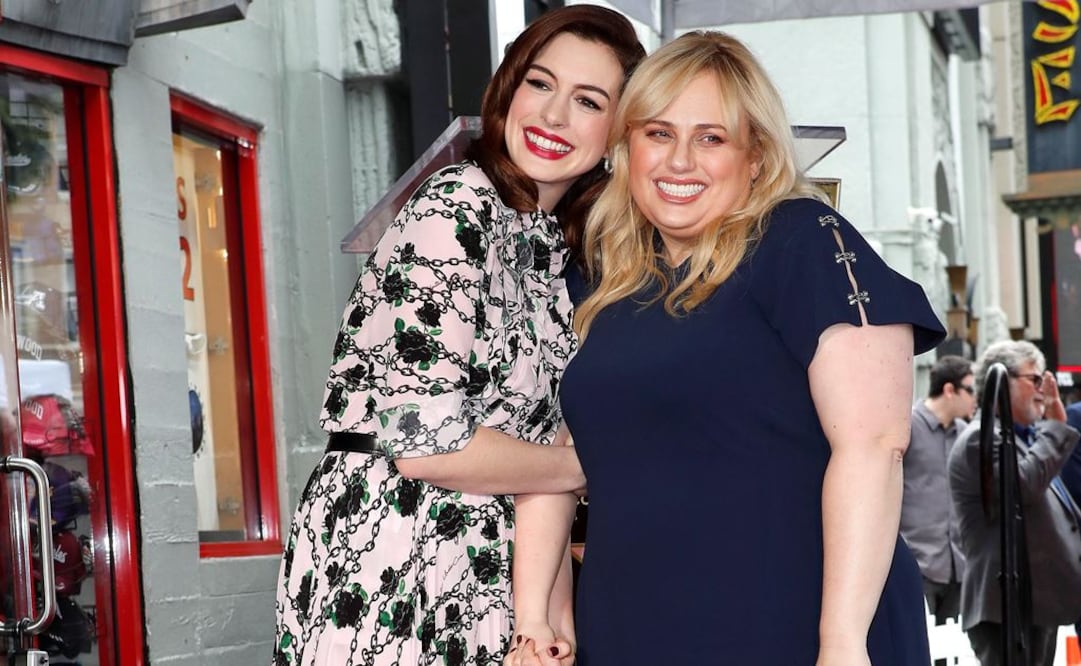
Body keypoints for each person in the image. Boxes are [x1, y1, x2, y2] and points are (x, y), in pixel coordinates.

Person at [507, 30, 945, 666]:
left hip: (792, 619)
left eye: (710, 138)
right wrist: (538, 621)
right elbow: (559, 459)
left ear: (757, 156)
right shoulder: (604, 277)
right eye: (657, 133)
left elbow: (876, 447)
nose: (679, 160)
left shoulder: (802, 242)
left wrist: (843, 643)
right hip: (632, 622)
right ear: (627, 150)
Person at [273, 7, 645, 666]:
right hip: (393, 544)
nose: (554, 115)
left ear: (616, 130)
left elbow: (539, 469)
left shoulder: (552, 249)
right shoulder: (455, 205)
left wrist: (547, 626)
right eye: (539, 83)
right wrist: (584, 468)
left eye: (587, 100)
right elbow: (424, 440)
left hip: (490, 566)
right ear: (506, 92)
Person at [947, 340, 1081, 666]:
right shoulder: (981, 437)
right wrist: (1055, 429)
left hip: (1032, 602)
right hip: (1006, 606)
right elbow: (1020, 490)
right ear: (1002, 381)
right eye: (1034, 380)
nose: (1043, 391)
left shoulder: (1019, 438)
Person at [900, 355, 975, 630]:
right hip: (917, 564)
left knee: (953, 653)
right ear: (949, 390)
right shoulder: (907, 427)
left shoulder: (966, 434)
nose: (974, 399)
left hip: (958, 566)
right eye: (970, 390)